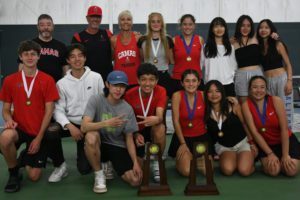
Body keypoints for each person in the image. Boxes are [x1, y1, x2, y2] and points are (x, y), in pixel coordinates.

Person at [0, 40, 60, 192]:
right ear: (20, 57)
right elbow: (6, 110)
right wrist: (9, 121)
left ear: (39, 57)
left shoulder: (47, 80)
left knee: (34, 176)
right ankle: (13, 173)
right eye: (26, 54)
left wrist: (39, 138)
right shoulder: (10, 80)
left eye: (33, 54)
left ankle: (23, 157)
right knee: (5, 138)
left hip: (38, 131)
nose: (29, 57)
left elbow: (49, 111)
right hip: (19, 129)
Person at [45, 43, 105, 182]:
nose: (77, 59)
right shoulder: (61, 83)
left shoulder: (96, 77)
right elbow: (58, 109)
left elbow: (103, 103)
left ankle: (97, 155)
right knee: (51, 131)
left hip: (90, 124)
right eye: (72, 57)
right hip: (72, 124)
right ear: (68, 60)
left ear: (85, 58)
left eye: (80, 56)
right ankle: (60, 166)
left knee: (84, 169)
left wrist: (92, 124)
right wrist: (69, 126)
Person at [81, 71, 142, 193]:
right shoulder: (96, 100)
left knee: (136, 180)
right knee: (91, 135)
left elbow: (129, 138)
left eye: (122, 86)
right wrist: (106, 123)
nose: (118, 90)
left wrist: (135, 162)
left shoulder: (127, 109)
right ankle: (99, 175)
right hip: (98, 143)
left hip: (116, 145)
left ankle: (109, 163)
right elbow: (84, 127)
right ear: (107, 85)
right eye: (115, 85)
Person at [242, 76, 300, 176]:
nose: (259, 90)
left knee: (291, 171)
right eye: (255, 87)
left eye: (262, 87)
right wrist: (270, 153)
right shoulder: (246, 105)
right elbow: (254, 132)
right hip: (266, 144)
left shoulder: (275, 100)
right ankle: (270, 162)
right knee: (273, 171)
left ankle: (281, 158)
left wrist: (285, 155)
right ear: (250, 90)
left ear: (266, 89)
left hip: (284, 140)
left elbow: (284, 129)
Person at [124, 63, 166, 182]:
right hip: (136, 130)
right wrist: (136, 134)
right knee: (138, 175)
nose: (147, 84)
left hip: (152, 127)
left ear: (156, 80)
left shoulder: (161, 90)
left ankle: (158, 162)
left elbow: (160, 115)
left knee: (160, 128)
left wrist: (156, 119)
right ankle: (141, 155)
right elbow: (127, 121)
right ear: (138, 80)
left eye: (151, 80)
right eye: (143, 80)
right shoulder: (129, 94)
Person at [204, 80, 256, 176]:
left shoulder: (234, 105)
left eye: (217, 91)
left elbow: (245, 124)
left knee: (244, 171)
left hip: (242, 143)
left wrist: (252, 143)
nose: (214, 94)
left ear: (222, 93)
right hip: (224, 147)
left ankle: (249, 160)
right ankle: (238, 159)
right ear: (206, 94)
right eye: (210, 91)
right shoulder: (205, 112)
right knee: (228, 170)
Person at [168, 69, 213, 176]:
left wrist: (230, 98)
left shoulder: (203, 95)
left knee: (208, 171)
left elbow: (219, 101)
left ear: (199, 82)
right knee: (187, 172)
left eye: (194, 81)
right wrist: (183, 143)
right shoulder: (177, 96)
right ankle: (186, 159)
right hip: (183, 138)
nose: (191, 84)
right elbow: (175, 120)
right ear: (182, 83)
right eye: (187, 81)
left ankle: (194, 159)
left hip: (202, 138)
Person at [257, 19, 293, 129]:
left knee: (285, 111)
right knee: (271, 111)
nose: (263, 30)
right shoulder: (258, 46)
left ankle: (288, 138)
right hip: (267, 82)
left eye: (266, 27)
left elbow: (288, 64)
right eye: (261, 27)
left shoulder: (278, 44)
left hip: (281, 80)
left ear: (271, 30)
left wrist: (289, 81)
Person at [19, 14, 68, 82]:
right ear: (38, 27)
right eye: (42, 25)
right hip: (33, 85)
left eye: (48, 25)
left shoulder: (61, 46)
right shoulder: (29, 45)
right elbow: (22, 65)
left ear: (53, 26)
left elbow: (65, 68)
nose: (46, 28)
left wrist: (66, 84)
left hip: (55, 86)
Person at [137, 12, 174, 99]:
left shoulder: (168, 39)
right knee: (148, 105)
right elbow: (142, 59)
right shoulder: (142, 39)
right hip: (148, 78)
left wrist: (161, 65)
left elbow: (171, 61)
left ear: (162, 24)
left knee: (163, 107)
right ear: (149, 24)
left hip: (164, 76)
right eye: (153, 22)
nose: (156, 24)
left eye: (158, 21)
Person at [71, 5, 113, 80]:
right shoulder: (78, 38)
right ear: (87, 18)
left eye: (98, 17)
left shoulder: (108, 34)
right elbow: (73, 60)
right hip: (86, 79)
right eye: (92, 16)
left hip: (107, 79)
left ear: (101, 19)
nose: (95, 19)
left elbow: (121, 42)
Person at [231, 15, 264, 103]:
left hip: (257, 74)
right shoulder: (233, 43)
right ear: (238, 27)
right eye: (242, 25)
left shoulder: (256, 37)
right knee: (244, 106)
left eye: (248, 25)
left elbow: (268, 33)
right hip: (241, 75)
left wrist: (274, 34)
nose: (245, 28)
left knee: (259, 104)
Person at [201, 17, 237, 97]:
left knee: (229, 108)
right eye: (216, 26)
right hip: (210, 85)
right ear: (212, 29)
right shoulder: (205, 47)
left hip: (227, 84)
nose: (219, 29)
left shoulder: (230, 47)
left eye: (221, 26)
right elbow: (200, 66)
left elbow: (233, 67)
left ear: (225, 28)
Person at [172, 14, 204, 92]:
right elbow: (171, 60)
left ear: (194, 25)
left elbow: (203, 59)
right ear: (181, 26)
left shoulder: (200, 39)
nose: (187, 27)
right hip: (178, 79)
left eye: (190, 24)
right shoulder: (174, 40)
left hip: (195, 80)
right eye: (185, 24)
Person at [110, 10, 141, 88]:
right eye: (123, 19)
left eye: (128, 19)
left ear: (132, 22)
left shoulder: (138, 38)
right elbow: (112, 58)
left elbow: (143, 58)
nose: (126, 22)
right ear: (119, 23)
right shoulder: (113, 40)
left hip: (136, 80)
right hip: (118, 81)